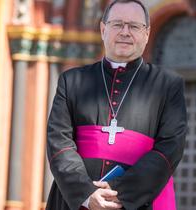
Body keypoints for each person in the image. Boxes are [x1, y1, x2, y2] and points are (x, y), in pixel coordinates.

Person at [46, 0, 187, 209]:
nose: (125, 32)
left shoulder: (168, 85)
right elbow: (59, 143)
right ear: (103, 29)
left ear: (146, 34)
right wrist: (86, 194)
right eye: (117, 24)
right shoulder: (71, 81)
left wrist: (120, 192)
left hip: (138, 201)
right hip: (76, 200)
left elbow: (170, 149)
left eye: (134, 26)